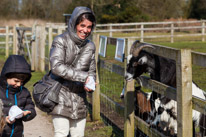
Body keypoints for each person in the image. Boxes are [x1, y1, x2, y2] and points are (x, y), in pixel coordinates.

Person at [49, 6, 96, 137]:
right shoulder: (60, 40)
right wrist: (84, 77)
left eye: (89, 27)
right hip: (60, 96)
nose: (85, 30)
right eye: (82, 25)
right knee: (61, 134)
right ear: (74, 23)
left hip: (79, 99)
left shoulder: (90, 46)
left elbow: (92, 72)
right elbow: (56, 66)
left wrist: (90, 84)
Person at [0, 55, 36, 137]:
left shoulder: (24, 92)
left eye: (22, 82)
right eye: (16, 81)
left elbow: (31, 109)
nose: (19, 84)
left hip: (18, 133)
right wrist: (3, 120)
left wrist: (25, 114)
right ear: (6, 76)